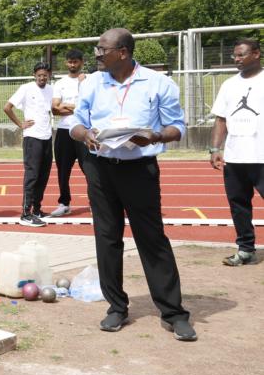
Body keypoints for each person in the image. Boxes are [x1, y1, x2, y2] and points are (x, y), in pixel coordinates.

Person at [71, 28, 195, 342]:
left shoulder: (157, 83)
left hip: (140, 170)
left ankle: (173, 313)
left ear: (123, 52)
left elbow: (176, 127)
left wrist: (155, 136)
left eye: (102, 49)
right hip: (101, 169)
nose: (97, 54)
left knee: (151, 239)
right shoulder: (92, 83)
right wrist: (85, 134)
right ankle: (116, 307)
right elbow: (75, 122)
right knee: (107, 238)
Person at [210, 38, 264, 266]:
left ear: (256, 54)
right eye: (235, 55)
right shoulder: (229, 85)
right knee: (239, 206)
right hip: (235, 157)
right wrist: (215, 148)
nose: (236, 59)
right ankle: (245, 249)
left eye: (241, 55)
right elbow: (221, 118)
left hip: (261, 156)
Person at [4, 62, 54, 227]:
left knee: (44, 175)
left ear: (49, 75)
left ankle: (37, 209)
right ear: (34, 75)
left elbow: (54, 109)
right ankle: (26, 213)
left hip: (47, 137)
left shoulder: (51, 89)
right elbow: (7, 107)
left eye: (45, 75)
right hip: (32, 137)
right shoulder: (26, 88)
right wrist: (20, 124)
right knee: (32, 175)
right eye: (39, 75)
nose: (42, 78)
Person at [50, 50, 88, 218]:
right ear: (66, 63)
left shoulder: (88, 81)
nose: (73, 64)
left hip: (84, 130)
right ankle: (64, 203)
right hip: (64, 132)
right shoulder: (60, 83)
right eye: (70, 61)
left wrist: (67, 106)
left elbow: (90, 107)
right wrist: (78, 107)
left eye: (75, 61)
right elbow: (55, 109)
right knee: (63, 171)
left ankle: (97, 201)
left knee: (91, 169)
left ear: (81, 62)